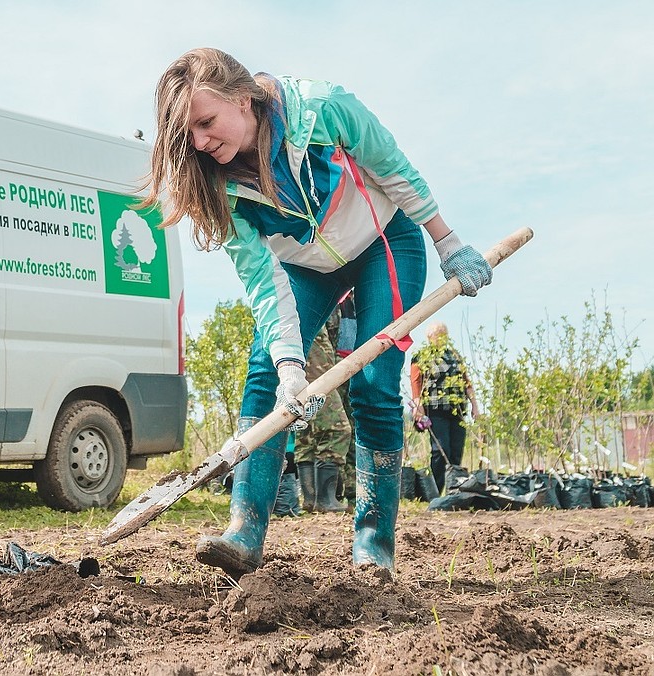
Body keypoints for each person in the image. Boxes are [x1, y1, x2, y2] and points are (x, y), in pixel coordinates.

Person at [144, 48, 491, 577]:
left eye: (206, 123)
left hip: (384, 240)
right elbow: (263, 281)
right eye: (188, 134)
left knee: (374, 383)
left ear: (243, 100)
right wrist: (289, 366)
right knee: (264, 374)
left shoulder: (322, 110)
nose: (199, 142)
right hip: (305, 266)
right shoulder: (214, 184)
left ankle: (373, 545)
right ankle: (244, 530)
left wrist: (447, 242)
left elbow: (392, 167)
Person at [410, 321, 479, 491]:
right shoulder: (421, 356)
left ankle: (452, 489)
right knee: (440, 450)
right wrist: (418, 407)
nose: (440, 339)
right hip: (436, 410)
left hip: (457, 410)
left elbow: (466, 383)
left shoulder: (454, 355)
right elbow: (416, 384)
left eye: (443, 336)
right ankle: (435, 489)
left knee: (456, 450)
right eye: (437, 336)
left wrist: (475, 406)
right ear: (429, 337)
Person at [293, 312, 352, 513]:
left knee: (307, 432)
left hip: (305, 358)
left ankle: (311, 500)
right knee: (337, 428)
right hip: (315, 361)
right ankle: (326, 501)